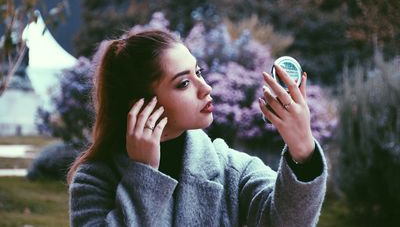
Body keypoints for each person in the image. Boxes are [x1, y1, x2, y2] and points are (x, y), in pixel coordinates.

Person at [68, 29, 327, 227]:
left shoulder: (230, 169)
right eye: (183, 83)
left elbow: (288, 222)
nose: (206, 88)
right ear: (142, 105)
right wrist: (144, 177)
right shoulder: (94, 180)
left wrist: (302, 150)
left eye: (198, 72)